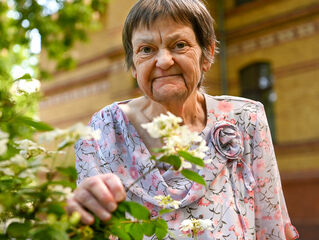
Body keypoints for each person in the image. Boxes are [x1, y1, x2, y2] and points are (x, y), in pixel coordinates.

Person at [66, 0, 299, 239]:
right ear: (133, 65)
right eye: (146, 49)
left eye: (179, 45)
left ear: (207, 53)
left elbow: (271, 225)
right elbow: (93, 229)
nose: (164, 61)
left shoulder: (245, 118)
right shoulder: (104, 128)